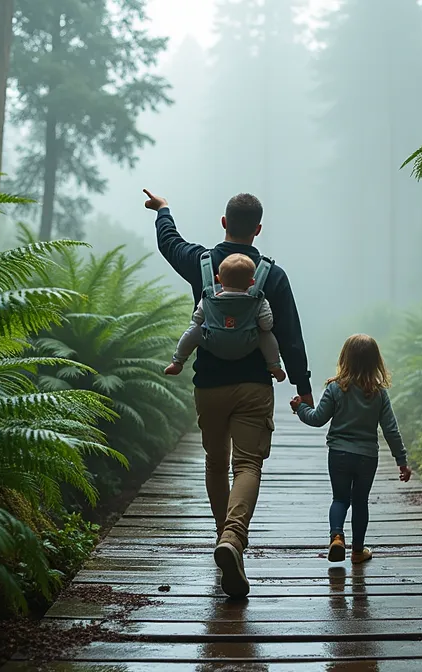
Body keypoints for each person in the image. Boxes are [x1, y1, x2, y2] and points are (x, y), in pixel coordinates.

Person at [144, 188, 312, 599]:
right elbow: (289, 333)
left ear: (224, 223)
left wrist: (164, 210)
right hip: (255, 386)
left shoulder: (201, 263)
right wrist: (302, 386)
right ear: (257, 229)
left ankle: (224, 536)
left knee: (216, 463)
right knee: (248, 465)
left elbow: (170, 243)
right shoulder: (272, 275)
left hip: (209, 386)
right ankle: (233, 539)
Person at [289, 334, 411, 565]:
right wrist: (401, 460)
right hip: (367, 457)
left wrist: (300, 408)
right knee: (361, 501)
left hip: (339, 454)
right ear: (375, 362)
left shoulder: (335, 388)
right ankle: (357, 552)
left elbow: (316, 419)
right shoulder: (378, 394)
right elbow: (391, 430)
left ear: (345, 358)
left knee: (340, 499)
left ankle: (336, 537)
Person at [165, 252, 287, 383]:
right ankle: (274, 366)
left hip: (214, 344)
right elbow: (266, 325)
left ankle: (177, 362)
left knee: (194, 330)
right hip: (246, 345)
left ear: (218, 279)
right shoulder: (258, 300)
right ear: (252, 282)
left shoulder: (208, 298)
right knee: (265, 335)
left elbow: (197, 319)